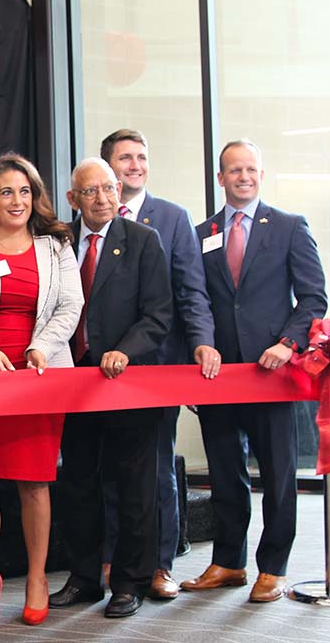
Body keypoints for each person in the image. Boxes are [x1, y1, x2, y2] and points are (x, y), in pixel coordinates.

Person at [181, 139, 327, 603]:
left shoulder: (288, 226)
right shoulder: (201, 232)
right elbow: (195, 298)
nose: (243, 176)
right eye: (233, 170)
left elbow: (313, 299)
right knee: (225, 474)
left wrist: (288, 344)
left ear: (261, 175)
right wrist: (201, 346)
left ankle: (273, 567)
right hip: (218, 374)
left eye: (250, 169)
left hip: (273, 373)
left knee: (279, 476)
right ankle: (228, 561)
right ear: (220, 178)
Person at [0, 153, 83, 627]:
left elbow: (71, 306)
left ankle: (39, 577)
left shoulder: (56, 246)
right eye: (6, 191)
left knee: (34, 482)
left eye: (25, 191)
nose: (17, 200)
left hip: (38, 376)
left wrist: (41, 348)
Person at [98, 128, 220, 600]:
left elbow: (192, 291)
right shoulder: (91, 216)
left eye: (141, 157)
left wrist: (202, 345)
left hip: (157, 366)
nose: (135, 165)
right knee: (110, 467)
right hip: (100, 370)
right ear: (108, 167)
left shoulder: (172, 218)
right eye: (125, 158)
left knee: (157, 468)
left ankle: (159, 564)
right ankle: (113, 556)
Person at [47, 157, 172, 618]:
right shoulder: (58, 244)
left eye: (108, 189)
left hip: (127, 382)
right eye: (90, 191)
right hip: (73, 382)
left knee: (134, 486)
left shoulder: (143, 240)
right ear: (72, 199)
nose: (101, 198)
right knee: (79, 483)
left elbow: (159, 313)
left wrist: (125, 350)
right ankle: (83, 577)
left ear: (119, 191)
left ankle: (130, 581)